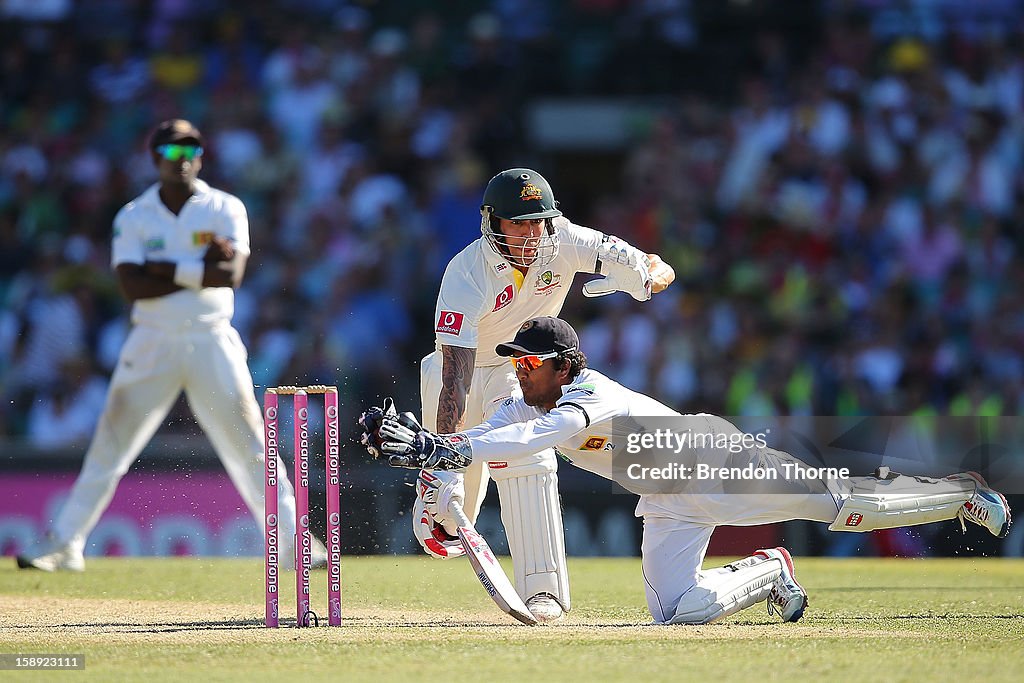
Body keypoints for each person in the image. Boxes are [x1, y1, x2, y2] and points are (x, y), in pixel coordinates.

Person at [362, 316, 1012, 625]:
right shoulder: (522, 397)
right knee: (676, 610)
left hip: (714, 460)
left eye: (530, 362)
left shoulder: (588, 397)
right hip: (666, 493)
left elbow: (539, 433)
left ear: (563, 365)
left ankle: (957, 493)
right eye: (516, 362)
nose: (519, 370)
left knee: (845, 508)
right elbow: (486, 435)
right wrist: (426, 444)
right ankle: (769, 570)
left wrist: (441, 452)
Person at [17, 119, 325, 572]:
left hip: (211, 336)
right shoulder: (135, 216)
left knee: (251, 446)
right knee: (111, 442)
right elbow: (130, 286)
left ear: (200, 157)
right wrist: (194, 266)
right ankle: (65, 542)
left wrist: (161, 267)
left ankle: (294, 544)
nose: (180, 161)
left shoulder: (225, 208)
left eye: (189, 152)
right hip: (152, 339)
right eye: (170, 152)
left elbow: (230, 275)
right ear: (154, 157)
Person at [416, 168, 675, 621]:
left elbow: (654, 264)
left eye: (538, 221)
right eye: (518, 222)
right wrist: (443, 460)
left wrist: (644, 279)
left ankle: (544, 592)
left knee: (528, 455)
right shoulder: (466, 271)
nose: (531, 234)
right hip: (456, 372)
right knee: (441, 530)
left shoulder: (567, 239)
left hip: (517, 367)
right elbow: (457, 374)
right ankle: (432, 500)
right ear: (492, 222)